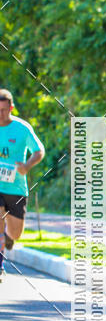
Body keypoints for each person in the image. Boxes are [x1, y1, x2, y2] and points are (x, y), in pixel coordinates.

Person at [0, 89, 45, 280]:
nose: (0, 114)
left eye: (4, 110)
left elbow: (39, 151)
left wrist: (26, 166)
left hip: (16, 188)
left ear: (11, 108)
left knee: (15, 233)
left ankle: (8, 237)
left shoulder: (22, 128)